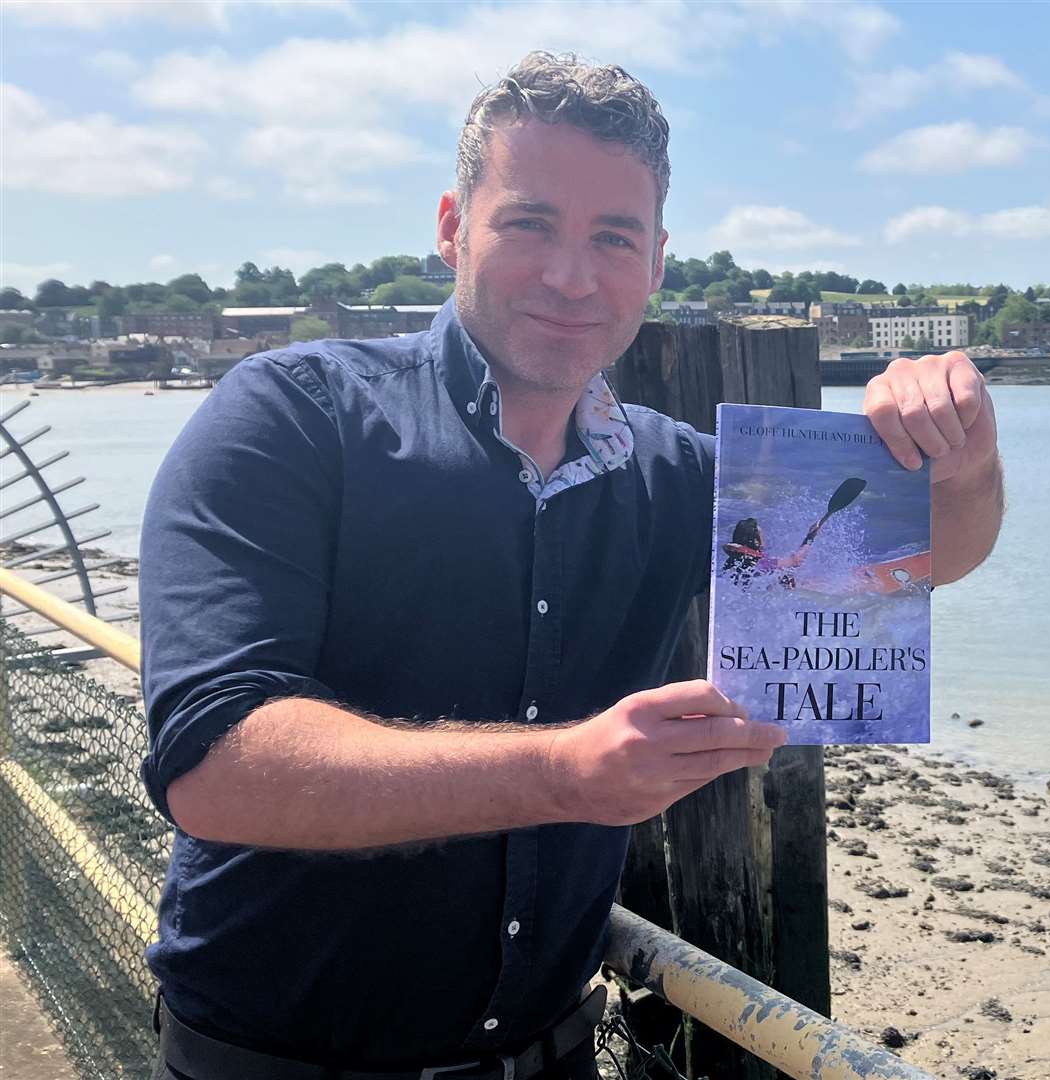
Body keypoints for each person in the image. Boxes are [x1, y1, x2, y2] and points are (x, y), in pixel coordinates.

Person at [139, 52, 1004, 1080]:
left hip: (553, 1056)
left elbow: (923, 557)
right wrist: (565, 772)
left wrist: (964, 455)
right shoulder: (292, 417)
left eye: (613, 237)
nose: (572, 274)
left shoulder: (673, 472)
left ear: (658, 261)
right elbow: (214, 766)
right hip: (273, 1062)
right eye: (530, 224)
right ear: (454, 226)